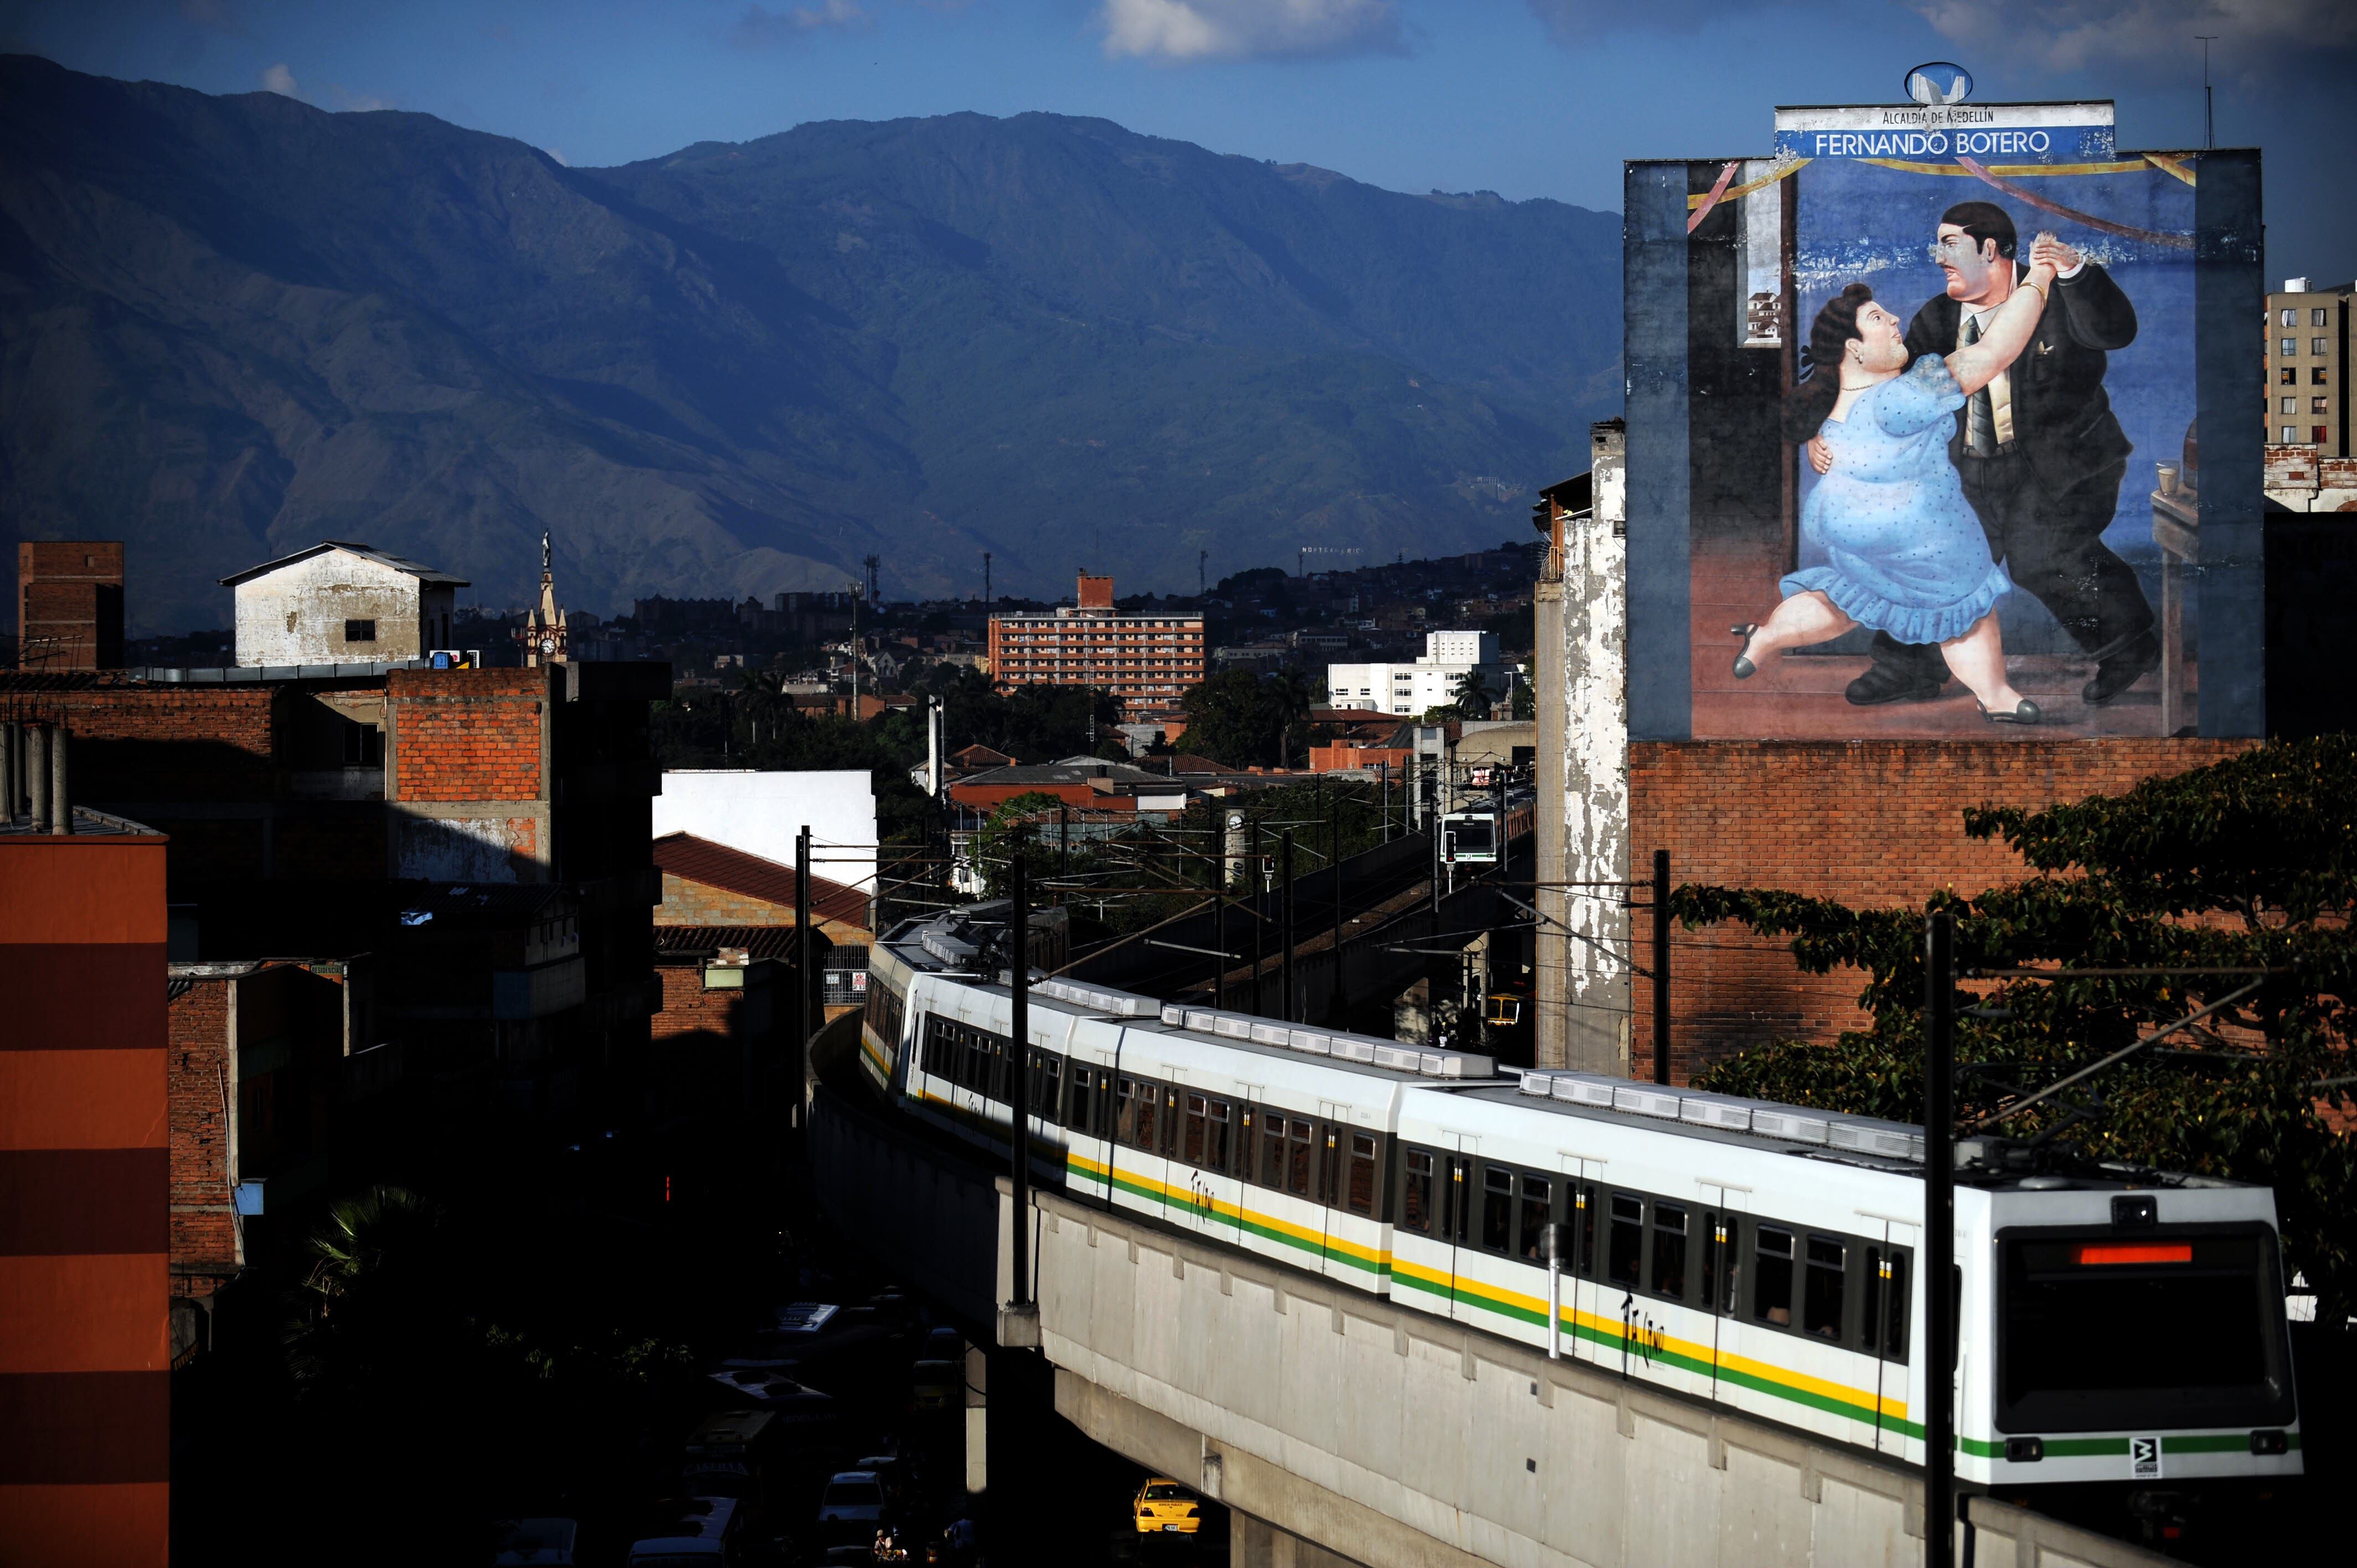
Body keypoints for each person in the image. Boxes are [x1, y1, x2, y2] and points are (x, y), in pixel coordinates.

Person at [1823, 202, 2155, 709]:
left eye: (1949, 244)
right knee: (1929, 555)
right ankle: (1907, 668)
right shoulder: (1936, 317)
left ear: (1991, 249)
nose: (1939, 258)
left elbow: (2117, 332)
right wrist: (1822, 431)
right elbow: (1892, 386)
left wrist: (2073, 270)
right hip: (1969, 466)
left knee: (2042, 553)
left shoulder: (2060, 294)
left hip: (2059, 464)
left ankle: (2130, 646)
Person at [1733, 236, 2067, 723]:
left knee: (1847, 598)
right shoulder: (1901, 398)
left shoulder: (1829, 407)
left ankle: (1765, 637)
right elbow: (1994, 352)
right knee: (1965, 602)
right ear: (1854, 348)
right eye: (1877, 320)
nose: (1893, 321)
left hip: (1851, 536)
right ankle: (1994, 693)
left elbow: (1846, 440)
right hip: (1920, 541)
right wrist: (2040, 277)